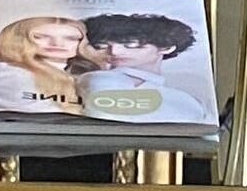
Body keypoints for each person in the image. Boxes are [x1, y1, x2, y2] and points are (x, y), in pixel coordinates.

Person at [79, 12, 215, 125]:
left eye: (130, 44)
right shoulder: (98, 79)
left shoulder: (183, 100)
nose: (114, 51)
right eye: (103, 45)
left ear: (166, 47)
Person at [0, 15, 91, 118]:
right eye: (40, 37)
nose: (58, 44)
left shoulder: (78, 72)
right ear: (19, 39)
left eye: (72, 38)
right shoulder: (8, 74)